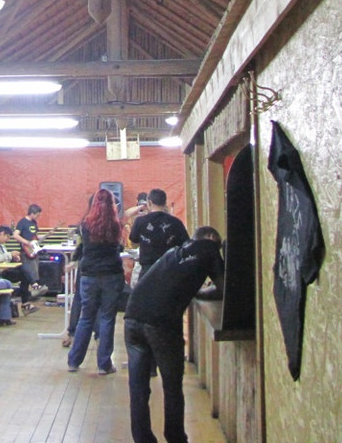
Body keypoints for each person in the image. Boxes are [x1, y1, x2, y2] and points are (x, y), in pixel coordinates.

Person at [123, 226, 225, 443]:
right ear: (210, 238)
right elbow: (226, 287)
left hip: (132, 316)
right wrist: (203, 291)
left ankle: (142, 439)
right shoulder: (208, 248)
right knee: (172, 385)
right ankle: (175, 437)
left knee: (138, 387)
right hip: (161, 322)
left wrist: (196, 291)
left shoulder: (174, 252)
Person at [66, 188, 124, 375]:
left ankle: (74, 361)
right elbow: (119, 247)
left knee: (86, 317)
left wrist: (74, 261)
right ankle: (104, 365)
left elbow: (83, 247)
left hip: (89, 275)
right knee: (107, 318)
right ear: (112, 204)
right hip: (111, 274)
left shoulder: (85, 225)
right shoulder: (115, 225)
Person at [128, 188, 189, 278]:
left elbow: (133, 239)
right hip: (169, 270)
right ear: (165, 203)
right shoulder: (176, 222)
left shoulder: (140, 221)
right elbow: (186, 244)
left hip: (147, 271)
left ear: (149, 202)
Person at [13, 203, 47, 310]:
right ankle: (34, 288)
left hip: (33, 252)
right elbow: (15, 235)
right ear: (32, 213)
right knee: (27, 275)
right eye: (37, 215)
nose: (38, 217)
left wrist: (45, 236)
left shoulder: (34, 223)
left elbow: (35, 236)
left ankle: (26, 303)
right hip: (25, 252)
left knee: (26, 278)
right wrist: (27, 242)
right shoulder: (22, 222)